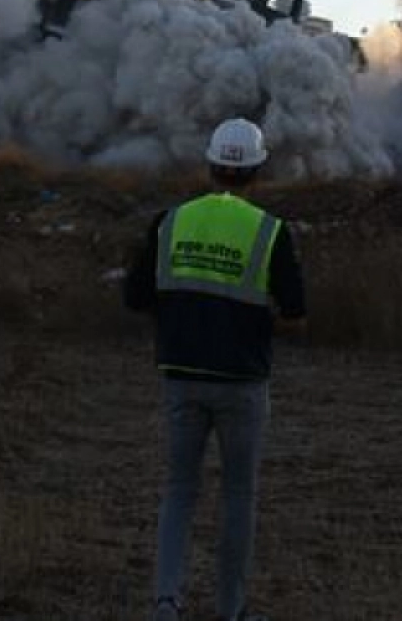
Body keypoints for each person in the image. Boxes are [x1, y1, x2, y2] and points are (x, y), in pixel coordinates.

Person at [124, 117, 307, 621]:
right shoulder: (269, 231)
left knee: (179, 490)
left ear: (210, 166)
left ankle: (166, 603)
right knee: (238, 496)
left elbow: (135, 297)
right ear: (257, 171)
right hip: (242, 382)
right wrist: (259, 325)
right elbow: (296, 315)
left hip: (180, 376)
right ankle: (231, 611)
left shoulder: (170, 222)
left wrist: (177, 316)